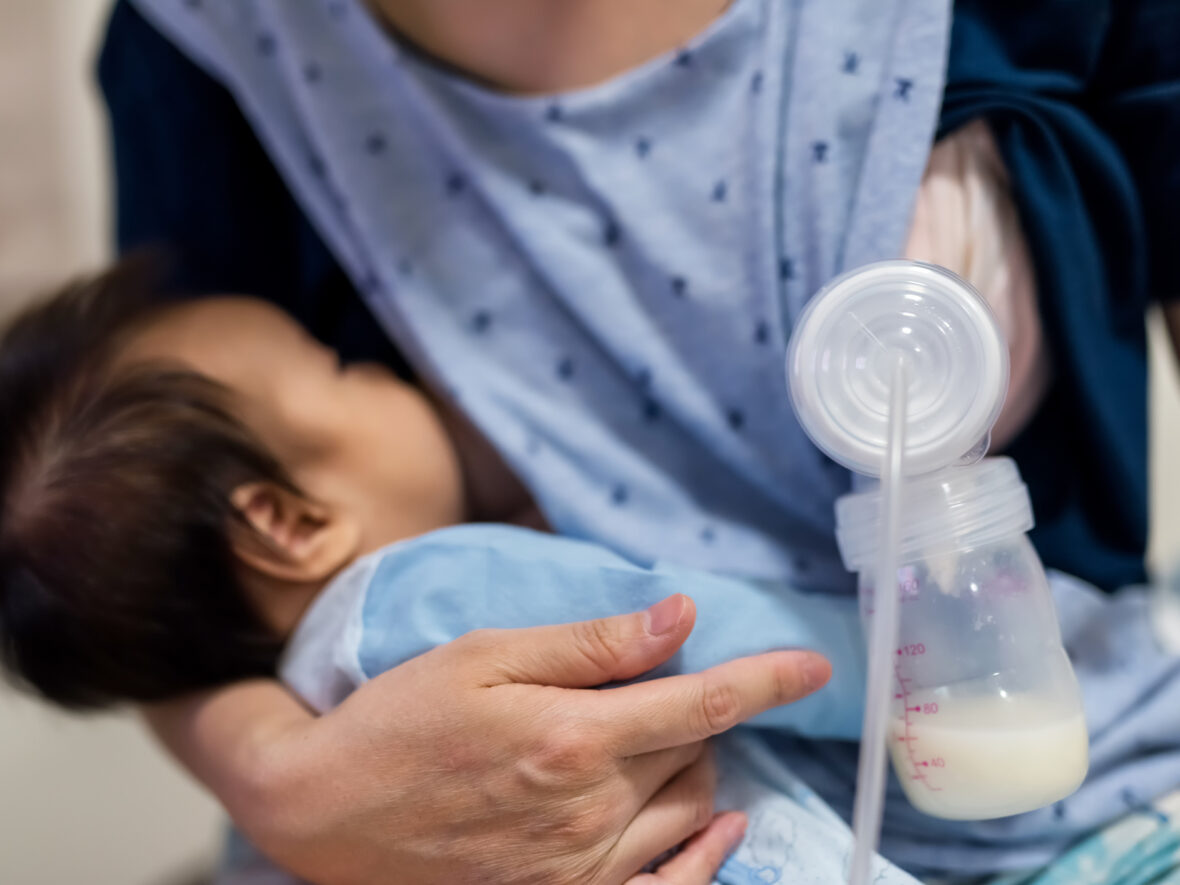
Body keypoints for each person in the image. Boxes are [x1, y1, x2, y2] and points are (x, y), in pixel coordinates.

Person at [92, 0, 1180, 881]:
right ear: (282, 522)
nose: (375, 367)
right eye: (344, 365)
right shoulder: (203, 47)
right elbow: (141, 554)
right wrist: (279, 785)